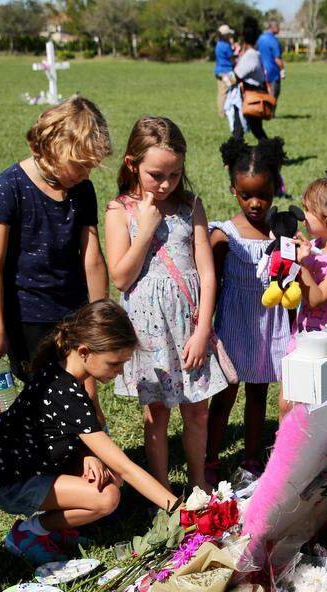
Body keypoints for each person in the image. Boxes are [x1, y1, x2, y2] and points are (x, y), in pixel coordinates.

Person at [0, 300, 182, 563]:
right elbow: (126, 467)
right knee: (107, 497)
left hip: (22, 466)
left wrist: (87, 453)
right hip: (8, 482)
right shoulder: (68, 394)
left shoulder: (60, 367)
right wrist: (180, 509)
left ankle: (57, 527)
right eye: (114, 364)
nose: (119, 372)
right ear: (85, 351)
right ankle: (29, 533)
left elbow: (59, 430)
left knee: (106, 476)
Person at [106, 117, 230, 490]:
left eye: (175, 175)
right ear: (132, 165)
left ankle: (198, 485)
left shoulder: (191, 206)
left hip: (189, 326)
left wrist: (203, 328)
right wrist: (144, 229)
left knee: (197, 411)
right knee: (155, 413)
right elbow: (121, 277)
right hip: (147, 332)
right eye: (156, 174)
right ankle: (160, 493)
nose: (165, 184)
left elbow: (207, 273)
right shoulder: (119, 212)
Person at [0, 96, 111, 394]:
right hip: (28, 316)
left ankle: (83, 439)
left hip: (74, 311)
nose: (86, 174)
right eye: (80, 165)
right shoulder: (8, 188)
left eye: (90, 167)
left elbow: (92, 257)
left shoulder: (82, 190)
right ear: (52, 147)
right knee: (44, 395)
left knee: (84, 390)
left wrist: (100, 315)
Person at [206, 137, 292, 481]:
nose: (255, 203)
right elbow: (208, 285)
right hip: (233, 324)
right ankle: (209, 458)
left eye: (264, 195)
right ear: (233, 189)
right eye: (246, 195)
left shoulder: (282, 231)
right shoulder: (224, 235)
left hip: (270, 325)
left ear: (276, 188)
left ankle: (252, 458)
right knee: (225, 394)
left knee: (259, 393)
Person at [279, 172, 327, 417]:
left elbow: (316, 297)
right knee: (287, 403)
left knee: (319, 408)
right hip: (302, 335)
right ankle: (286, 453)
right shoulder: (317, 246)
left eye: (308, 210)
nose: (302, 217)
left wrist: (301, 266)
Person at [226, 18, 272, 141]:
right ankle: (271, 154)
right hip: (251, 96)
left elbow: (234, 77)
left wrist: (225, 79)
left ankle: (237, 158)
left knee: (239, 131)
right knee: (256, 130)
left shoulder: (250, 55)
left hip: (249, 98)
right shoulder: (254, 54)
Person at [256, 19, 285, 102]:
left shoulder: (260, 39)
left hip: (260, 72)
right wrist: (282, 70)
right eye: (278, 27)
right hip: (273, 72)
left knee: (263, 95)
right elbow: (277, 59)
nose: (279, 29)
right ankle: (271, 113)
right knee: (273, 95)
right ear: (273, 27)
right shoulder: (274, 41)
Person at [213, 24, 235, 118]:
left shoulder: (218, 44)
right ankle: (222, 113)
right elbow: (232, 58)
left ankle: (223, 111)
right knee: (225, 93)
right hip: (227, 72)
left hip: (219, 71)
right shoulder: (226, 46)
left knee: (221, 92)